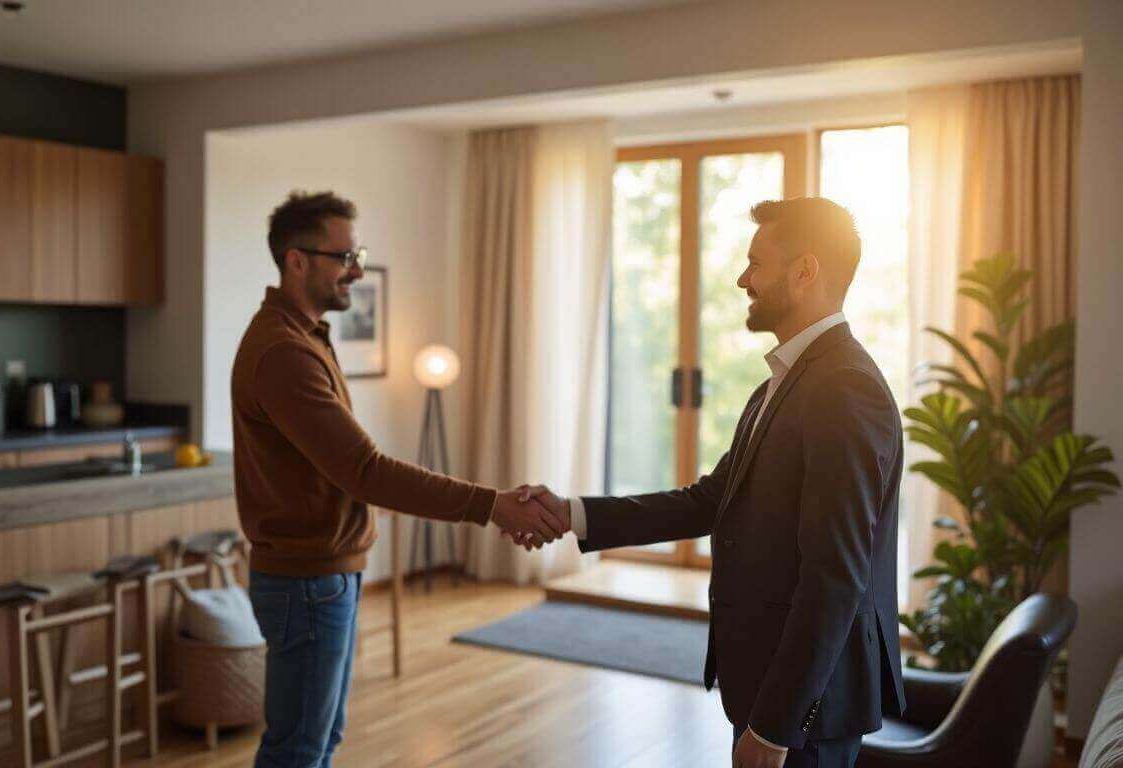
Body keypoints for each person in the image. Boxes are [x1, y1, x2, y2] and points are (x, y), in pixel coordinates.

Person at [515, 198, 906, 768]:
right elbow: (708, 503)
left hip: (805, 715)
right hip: (773, 696)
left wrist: (775, 728)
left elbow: (836, 577)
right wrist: (571, 512)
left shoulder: (844, 388)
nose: (742, 278)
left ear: (805, 270)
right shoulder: (786, 381)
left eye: (756, 262)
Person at [232, 190, 566, 768]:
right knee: (299, 749)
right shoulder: (283, 352)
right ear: (296, 260)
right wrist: (493, 505)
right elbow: (366, 471)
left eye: (356, 253)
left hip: (322, 576)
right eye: (344, 256)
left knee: (319, 740)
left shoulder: (305, 337)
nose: (356, 270)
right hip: (307, 583)